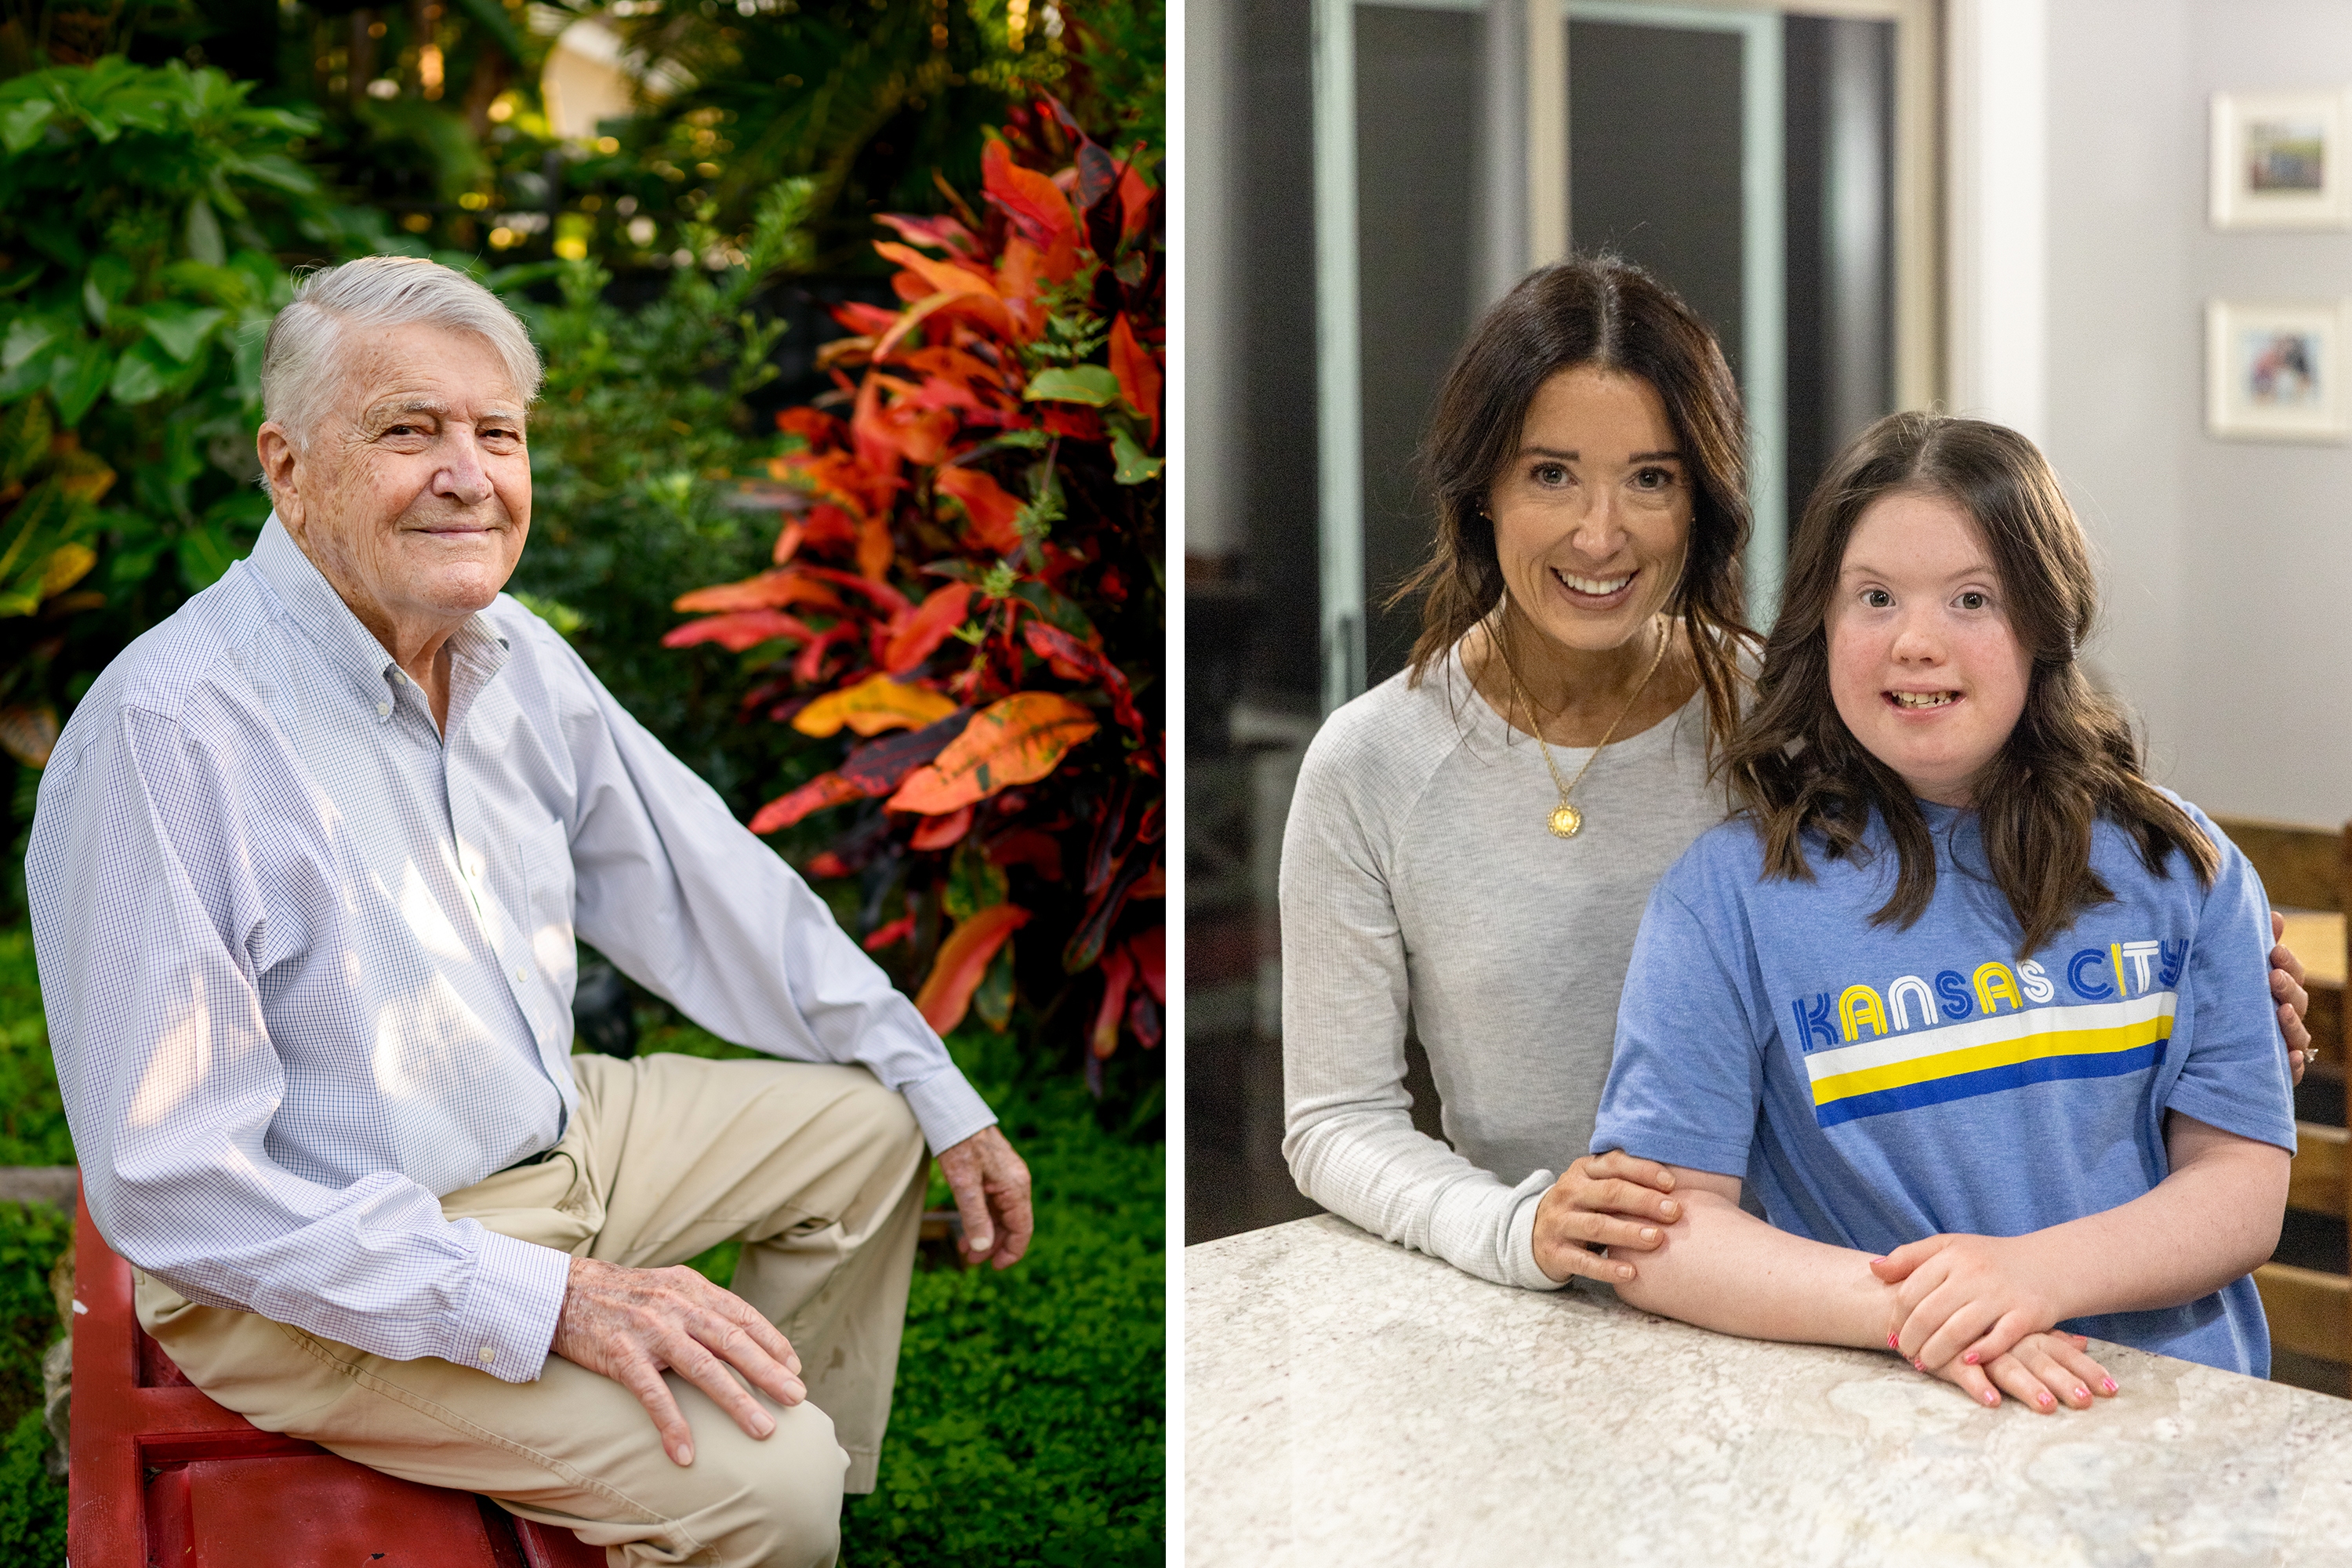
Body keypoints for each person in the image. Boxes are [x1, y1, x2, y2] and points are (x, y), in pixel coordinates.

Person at [27, 256, 1033, 1568]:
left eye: (497, 434)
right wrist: (549, 1299)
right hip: (316, 1263)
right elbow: (182, 1186)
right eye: (409, 430)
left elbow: (708, 886)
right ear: (288, 468)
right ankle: (755, 1504)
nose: (470, 476)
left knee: (872, 1128)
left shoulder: (519, 657)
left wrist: (931, 1077)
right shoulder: (168, 728)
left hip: (549, 1142)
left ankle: (745, 1491)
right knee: (766, 1489)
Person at [1279, 255, 2314, 1297]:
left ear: (1702, 503)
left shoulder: (1801, 712)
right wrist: (1516, 1227)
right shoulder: (1371, 765)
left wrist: (2209, 1006)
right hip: (1558, 1284)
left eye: (1651, 478)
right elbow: (1336, 1119)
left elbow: (1999, 917)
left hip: (1825, 1296)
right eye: (1551, 474)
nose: (1601, 532)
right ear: (1482, 492)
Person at [1590, 412, 2296, 1410]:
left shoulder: (2182, 865)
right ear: (1821, 622)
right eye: (1874, 597)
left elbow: (2241, 1186)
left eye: (1973, 598)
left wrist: (2035, 1276)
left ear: (2045, 620)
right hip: (1882, 1414)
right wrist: (1927, 1309)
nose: (1917, 643)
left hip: (2172, 1414)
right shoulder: (1725, 898)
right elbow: (1664, 1235)